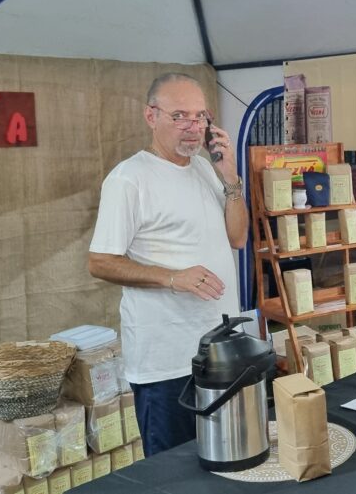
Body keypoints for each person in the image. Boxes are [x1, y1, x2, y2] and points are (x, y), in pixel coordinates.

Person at [88, 73, 248, 456]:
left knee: (225, 458)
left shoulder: (204, 169)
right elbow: (100, 262)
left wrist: (231, 178)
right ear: (151, 116)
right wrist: (174, 278)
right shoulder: (129, 179)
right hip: (166, 362)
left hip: (219, 350)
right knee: (173, 470)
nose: (193, 127)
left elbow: (238, 238)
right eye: (179, 116)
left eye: (200, 116)